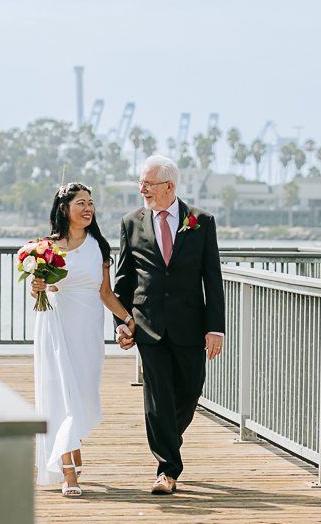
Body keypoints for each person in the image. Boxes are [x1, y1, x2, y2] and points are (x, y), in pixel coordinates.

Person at [113, 155, 225, 494]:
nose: (142, 189)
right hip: (147, 325)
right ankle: (167, 470)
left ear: (169, 186)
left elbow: (212, 278)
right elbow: (123, 280)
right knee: (157, 396)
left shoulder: (201, 221)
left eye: (148, 183)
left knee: (190, 391)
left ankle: (167, 439)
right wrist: (121, 323)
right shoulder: (130, 222)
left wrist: (215, 328)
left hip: (190, 325)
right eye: (141, 183)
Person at [30, 183, 135, 496]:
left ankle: (73, 451)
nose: (88, 209)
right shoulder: (47, 247)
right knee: (61, 395)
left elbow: (105, 293)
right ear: (65, 209)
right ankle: (68, 474)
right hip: (56, 325)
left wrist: (130, 320)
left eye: (90, 203)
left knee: (83, 392)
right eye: (81, 203)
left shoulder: (99, 246)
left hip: (88, 329)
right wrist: (35, 286)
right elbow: (37, 289)